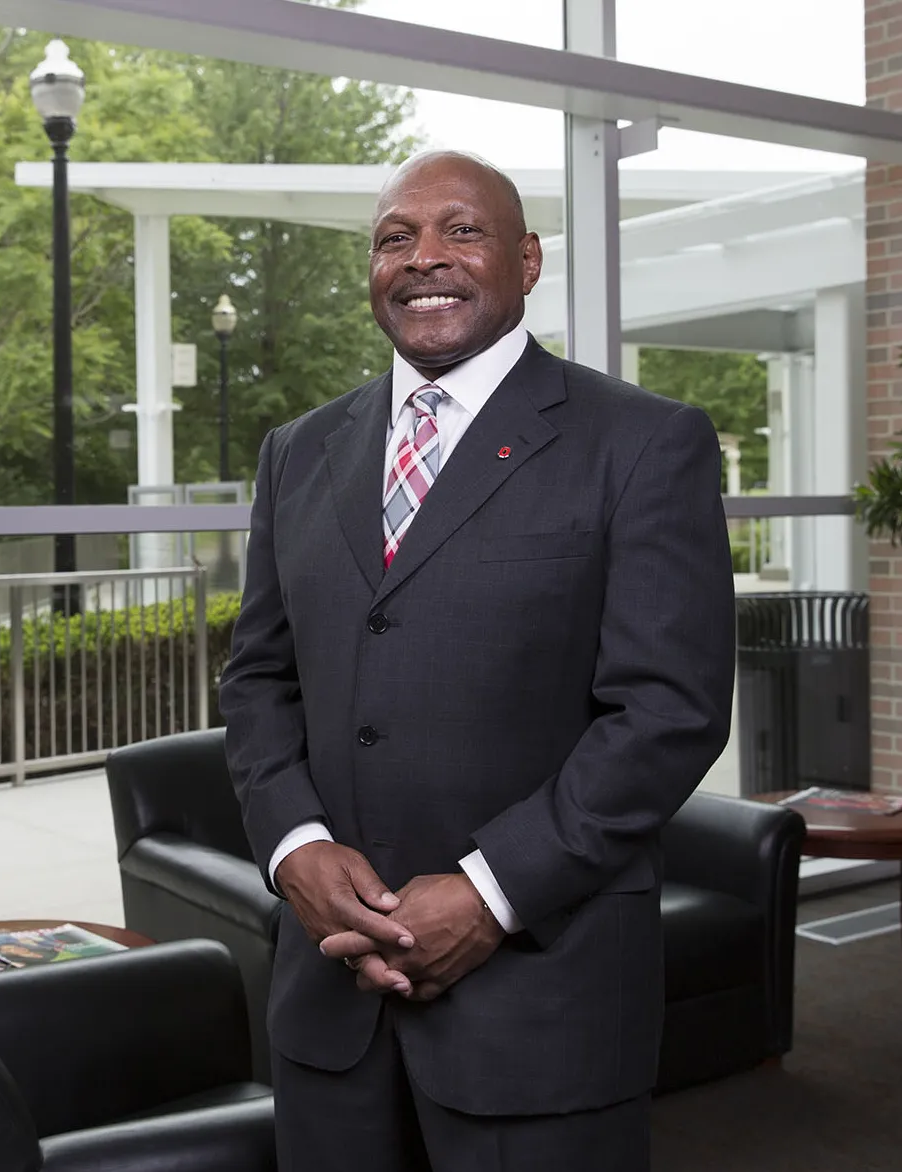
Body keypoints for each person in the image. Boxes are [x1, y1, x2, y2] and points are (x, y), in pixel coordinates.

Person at [218, 149, 735, 1172]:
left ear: (528, 259)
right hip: (331, 1005)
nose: (425, 258)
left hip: (542, 1004)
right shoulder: (298, 451)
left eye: (463, 230)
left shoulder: (642, 442)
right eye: (395, 237)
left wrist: (490, 891)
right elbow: (258, 679)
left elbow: (667, 710)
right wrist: (295, 847)